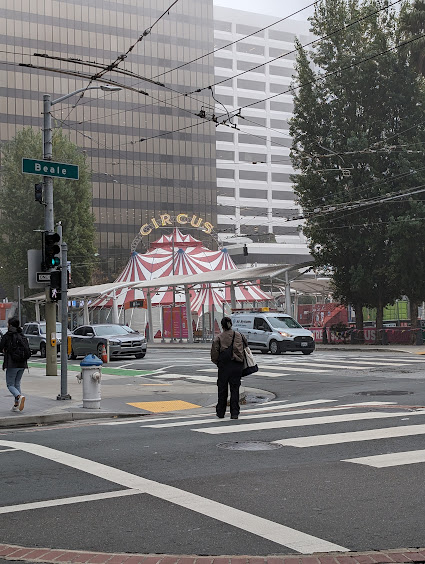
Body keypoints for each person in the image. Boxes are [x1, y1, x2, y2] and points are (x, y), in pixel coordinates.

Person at [211, 316, 246, 420]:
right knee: (235, 389)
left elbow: (214, 354)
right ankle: (234, 413)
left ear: (222, 326)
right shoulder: (239, 335)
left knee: (222, 389)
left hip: (224, 366)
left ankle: (221, 412)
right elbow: (245, 347)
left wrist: (218, 363)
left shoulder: (219, 337)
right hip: (237, 365)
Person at [0, 317, 29, 412]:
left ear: (10, 325)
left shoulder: (8, 335)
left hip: (12, 364)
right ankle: (17, 404)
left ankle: (19, 396)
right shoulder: (22, 335)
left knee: (10, 384)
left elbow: (1, 347)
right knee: (17, 383)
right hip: (23, 364)